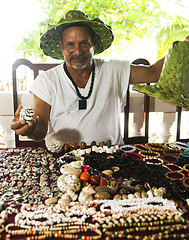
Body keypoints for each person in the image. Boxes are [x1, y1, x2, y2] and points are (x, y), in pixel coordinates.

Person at [11, 10, 189, 146]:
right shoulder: (47, 81)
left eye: (84, 44)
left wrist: (185, 45)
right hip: (65, 163)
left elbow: (153, 73)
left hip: (112, 160)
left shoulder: (114, 69)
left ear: (93, 43)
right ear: (62, 47)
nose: (78, 51)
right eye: (70, 45)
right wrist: (30, 129)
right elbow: (40, 130)